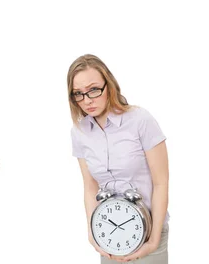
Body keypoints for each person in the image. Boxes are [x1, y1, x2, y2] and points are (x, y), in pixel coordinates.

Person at [68, 54, 169, 263]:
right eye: (78, 94)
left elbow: (161, 183)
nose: (87, 100)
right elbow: (89, 186)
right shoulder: (79, 132)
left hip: (148, 233)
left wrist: (153, 240)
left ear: (109, 85)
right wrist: (92, 231)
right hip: (109, 234)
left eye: (93, 90)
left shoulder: (140, 120)